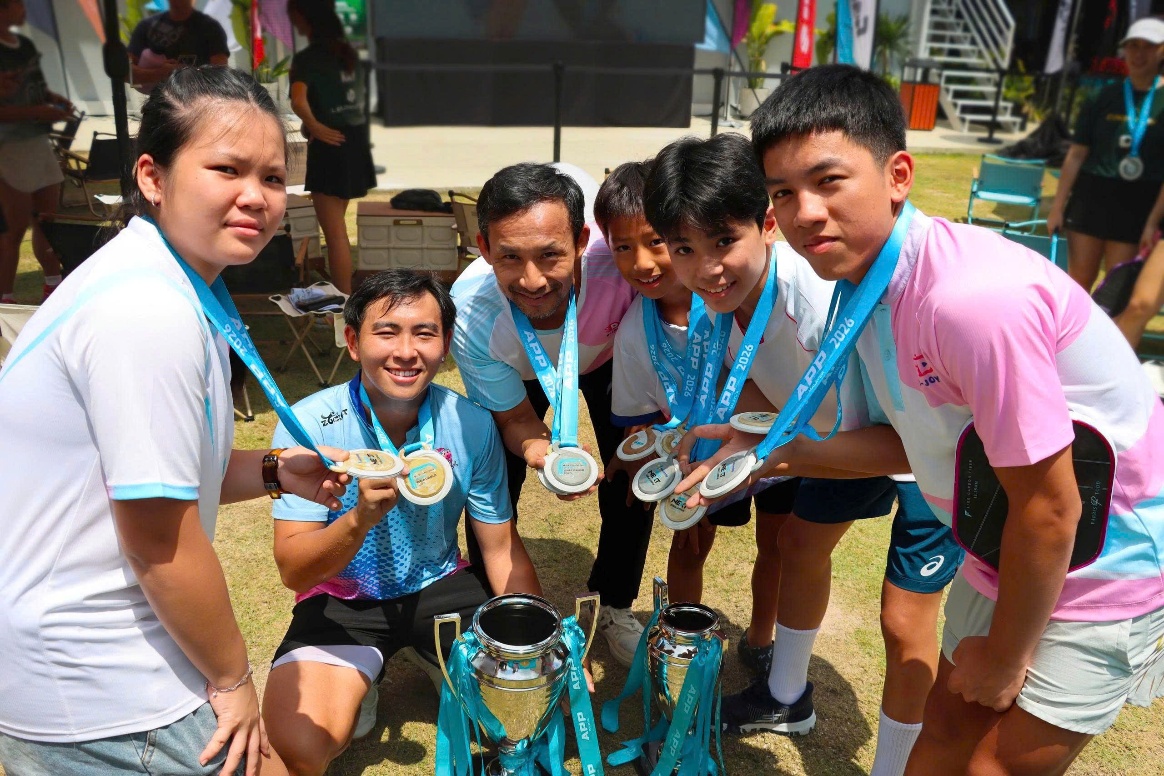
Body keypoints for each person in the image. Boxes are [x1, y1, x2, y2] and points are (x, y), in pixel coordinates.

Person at [732, 63, 1164, 774]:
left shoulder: (969, 300)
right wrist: (759, 453)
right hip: (1005, 548)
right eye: (782, 192)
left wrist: (1007, 654)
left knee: (991, 767)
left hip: (1101, 567)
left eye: (828, 180)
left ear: (898, 174)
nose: (803, 211)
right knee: (937, 743)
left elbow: (1054, 507)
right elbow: (901, 442)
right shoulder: (866, 282)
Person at [0, 67, 351, 775]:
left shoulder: (163, 279)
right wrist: (233, 680)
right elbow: (159, 538)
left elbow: (167, 468)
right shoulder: (146, 311)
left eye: (274, 178)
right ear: (153, 177)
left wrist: (279, 470)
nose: (256, 196)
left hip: (87, 654)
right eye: (226, 168)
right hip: (102, 678)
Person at [648, 133, 963, 776]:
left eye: (723, 242)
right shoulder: (718, 306)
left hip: (924, 447)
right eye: (685, 248)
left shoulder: (818, 302)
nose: (707, 268)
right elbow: (764, 382)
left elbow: (900, 441)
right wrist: (745, 436)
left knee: (905, 621)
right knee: (799, 548)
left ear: (766, 223)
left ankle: (894, 767)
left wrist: (774, 456)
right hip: (825, 437)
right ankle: (786, 698)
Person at [261, 270, 541, 776]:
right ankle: (362, 676)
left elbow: (499, 548)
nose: (406, 351)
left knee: (529, 704)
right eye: (387, 332)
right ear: (352, 341)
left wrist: (538, 641)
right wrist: (358, 520)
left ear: (447, 343)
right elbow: (295, 573)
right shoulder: (306, 425)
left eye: (425, 333)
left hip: (439, 587)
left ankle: (432, 657)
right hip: (344, 599)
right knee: (301, 746)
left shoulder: (472, 423)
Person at [597, 159, 802, 677]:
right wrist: (638, 465)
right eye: (624, 246)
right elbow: (640, 423)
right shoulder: (633, 335)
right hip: (699, 461)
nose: (643, 262)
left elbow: (774, 370)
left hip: (771, 445)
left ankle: (760, 639)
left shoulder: (735, 297)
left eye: (658, 242)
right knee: (688, 544)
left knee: (776, 545)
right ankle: (679, 647)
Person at [449, 162, 649, 665]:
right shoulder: (470, 310)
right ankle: (492, 608)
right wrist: (544, 450)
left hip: (608, 360)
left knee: (634, 477)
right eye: (510, 257)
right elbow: (517, 420)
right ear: (484, 246)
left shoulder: (623, 264)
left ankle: (618, 603)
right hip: (518, 376)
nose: (532, 279)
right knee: (494, 480)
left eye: (550, 255)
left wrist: (643, 432)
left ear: (583, 240)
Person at [1047, 17, 1164, 292]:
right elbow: (1076, 155)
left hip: (1137, 205)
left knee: (1115, 287)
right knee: (1078, 283)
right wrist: (1057, 206)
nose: (1138, 54)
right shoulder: (1102, 95)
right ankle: (1072, 336)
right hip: (1091, 199)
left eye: (1148, 46)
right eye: (1132, 46)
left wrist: (1152, 221)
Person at [287, 0, 376, 295]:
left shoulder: (309, 58)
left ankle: (343, 304)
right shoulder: (349, 54)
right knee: (338, 230)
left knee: (335, 235)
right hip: (354, 143)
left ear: (305, 17)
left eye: (294, 16)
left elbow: (298, 101)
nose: (293, 23)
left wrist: (314, 126)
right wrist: (314, 125)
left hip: (330, 148)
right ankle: (345, 299)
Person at [0, 0, 67, 303]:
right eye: (17, 4)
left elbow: (35, 85)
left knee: (49, 221)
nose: (24, 9)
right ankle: (6, 300)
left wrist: (54, 100)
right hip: (8, 147)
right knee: (12, 232)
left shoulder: (24, 44)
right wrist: (38, 111)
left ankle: (54, 287)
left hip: (37, 143)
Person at [127, 0, 230, 93]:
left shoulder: (211, 28)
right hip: (156, 104)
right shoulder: (146, 26)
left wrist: (180, 74)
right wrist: (161, 73)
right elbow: (126, 72)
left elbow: (220, 76)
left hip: (197, 103)